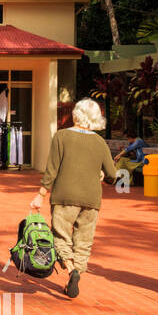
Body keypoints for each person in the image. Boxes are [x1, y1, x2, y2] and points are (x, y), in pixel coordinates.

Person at [29, 98, 115, 299]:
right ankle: (78, 272)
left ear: (76, 114)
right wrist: (103, 175)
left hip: (64, 197)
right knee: (84, 242)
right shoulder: (100, 142)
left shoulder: (61, 136)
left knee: (60, 237)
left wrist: (41, 195)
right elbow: (112, 173)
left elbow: (52, 169)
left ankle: (70, 269)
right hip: (91, 199)